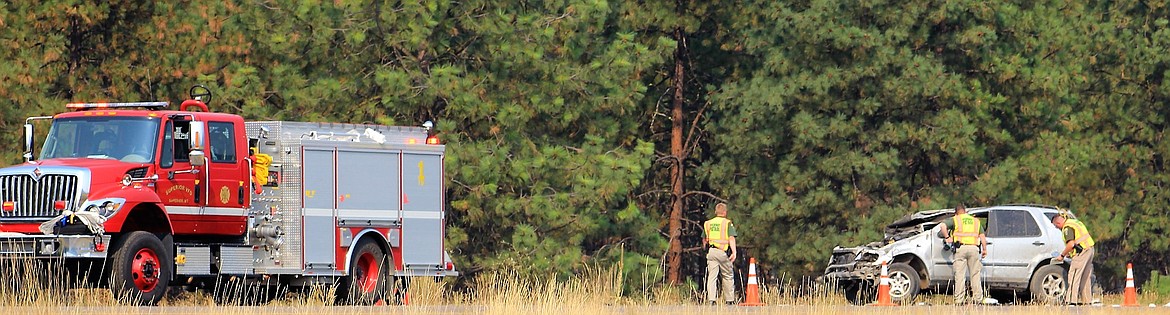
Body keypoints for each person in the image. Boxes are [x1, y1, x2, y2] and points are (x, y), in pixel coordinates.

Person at [939, 204, 987, 304]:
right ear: (965, 211)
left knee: (960, 275)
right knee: (975, 274)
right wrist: (984, 249)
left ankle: (959, 300)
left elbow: (942, 226)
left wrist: (947, 237)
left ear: (956, 212)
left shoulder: (956, 219)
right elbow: (982, 236)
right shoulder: (975, 221)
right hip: (974, 248)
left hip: (960, 248)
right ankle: (978, 299)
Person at [1052, 213, 1095, 305]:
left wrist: (1062, 255)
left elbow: (1071, 244)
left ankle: (1071, 300)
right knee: (1085, 277)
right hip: (1089, 249)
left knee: (1074, 275)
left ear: (1058, 222)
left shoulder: (1067, 227)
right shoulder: (1074, 222)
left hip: (1081, 252)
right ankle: (1087, 300)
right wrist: (1070, 253)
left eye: (1056, 226)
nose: (1057, 228)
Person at [702, 202, 737, 305]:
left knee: (712, 276)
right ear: (725, 212)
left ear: (715, 212)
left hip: (711, 252)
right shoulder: (727, 223)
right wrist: (734, 252)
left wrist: (705, 249)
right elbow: (731, 238)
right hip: (722, 252)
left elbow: (704, 239)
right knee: (727, 275)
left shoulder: (708, 223)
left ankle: (711, 300)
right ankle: (729, 300)